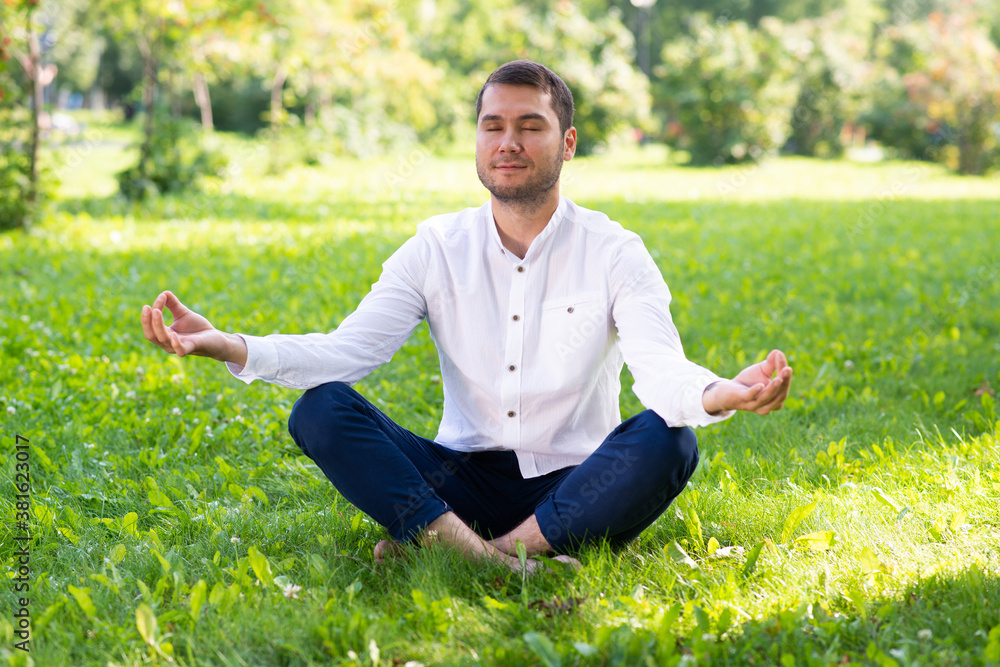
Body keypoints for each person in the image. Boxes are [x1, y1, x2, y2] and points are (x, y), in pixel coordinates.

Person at [141, 60, 792, 574]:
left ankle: (469, 550)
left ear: (566, 143)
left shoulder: (615, 250)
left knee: (669, 439)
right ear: (478, 138)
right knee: (321, 408)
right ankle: (492, 557)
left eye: (529, 126)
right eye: (493, 125)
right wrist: (228, 344)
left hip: (579, 483)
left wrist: (718, 393)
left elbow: (659, 370)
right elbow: (349, 352)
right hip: (459, 479)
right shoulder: (434, 247)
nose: (508, 142)